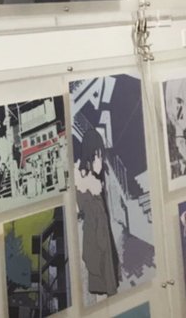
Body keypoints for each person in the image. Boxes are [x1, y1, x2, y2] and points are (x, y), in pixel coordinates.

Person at [74, 127, 120, 299]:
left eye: (100, 155)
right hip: (96, 236)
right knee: (102, 267)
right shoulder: (86, 183)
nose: (100, 160)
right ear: (90, 156)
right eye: (97, 156)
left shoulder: (92, 180)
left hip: (99, 234)